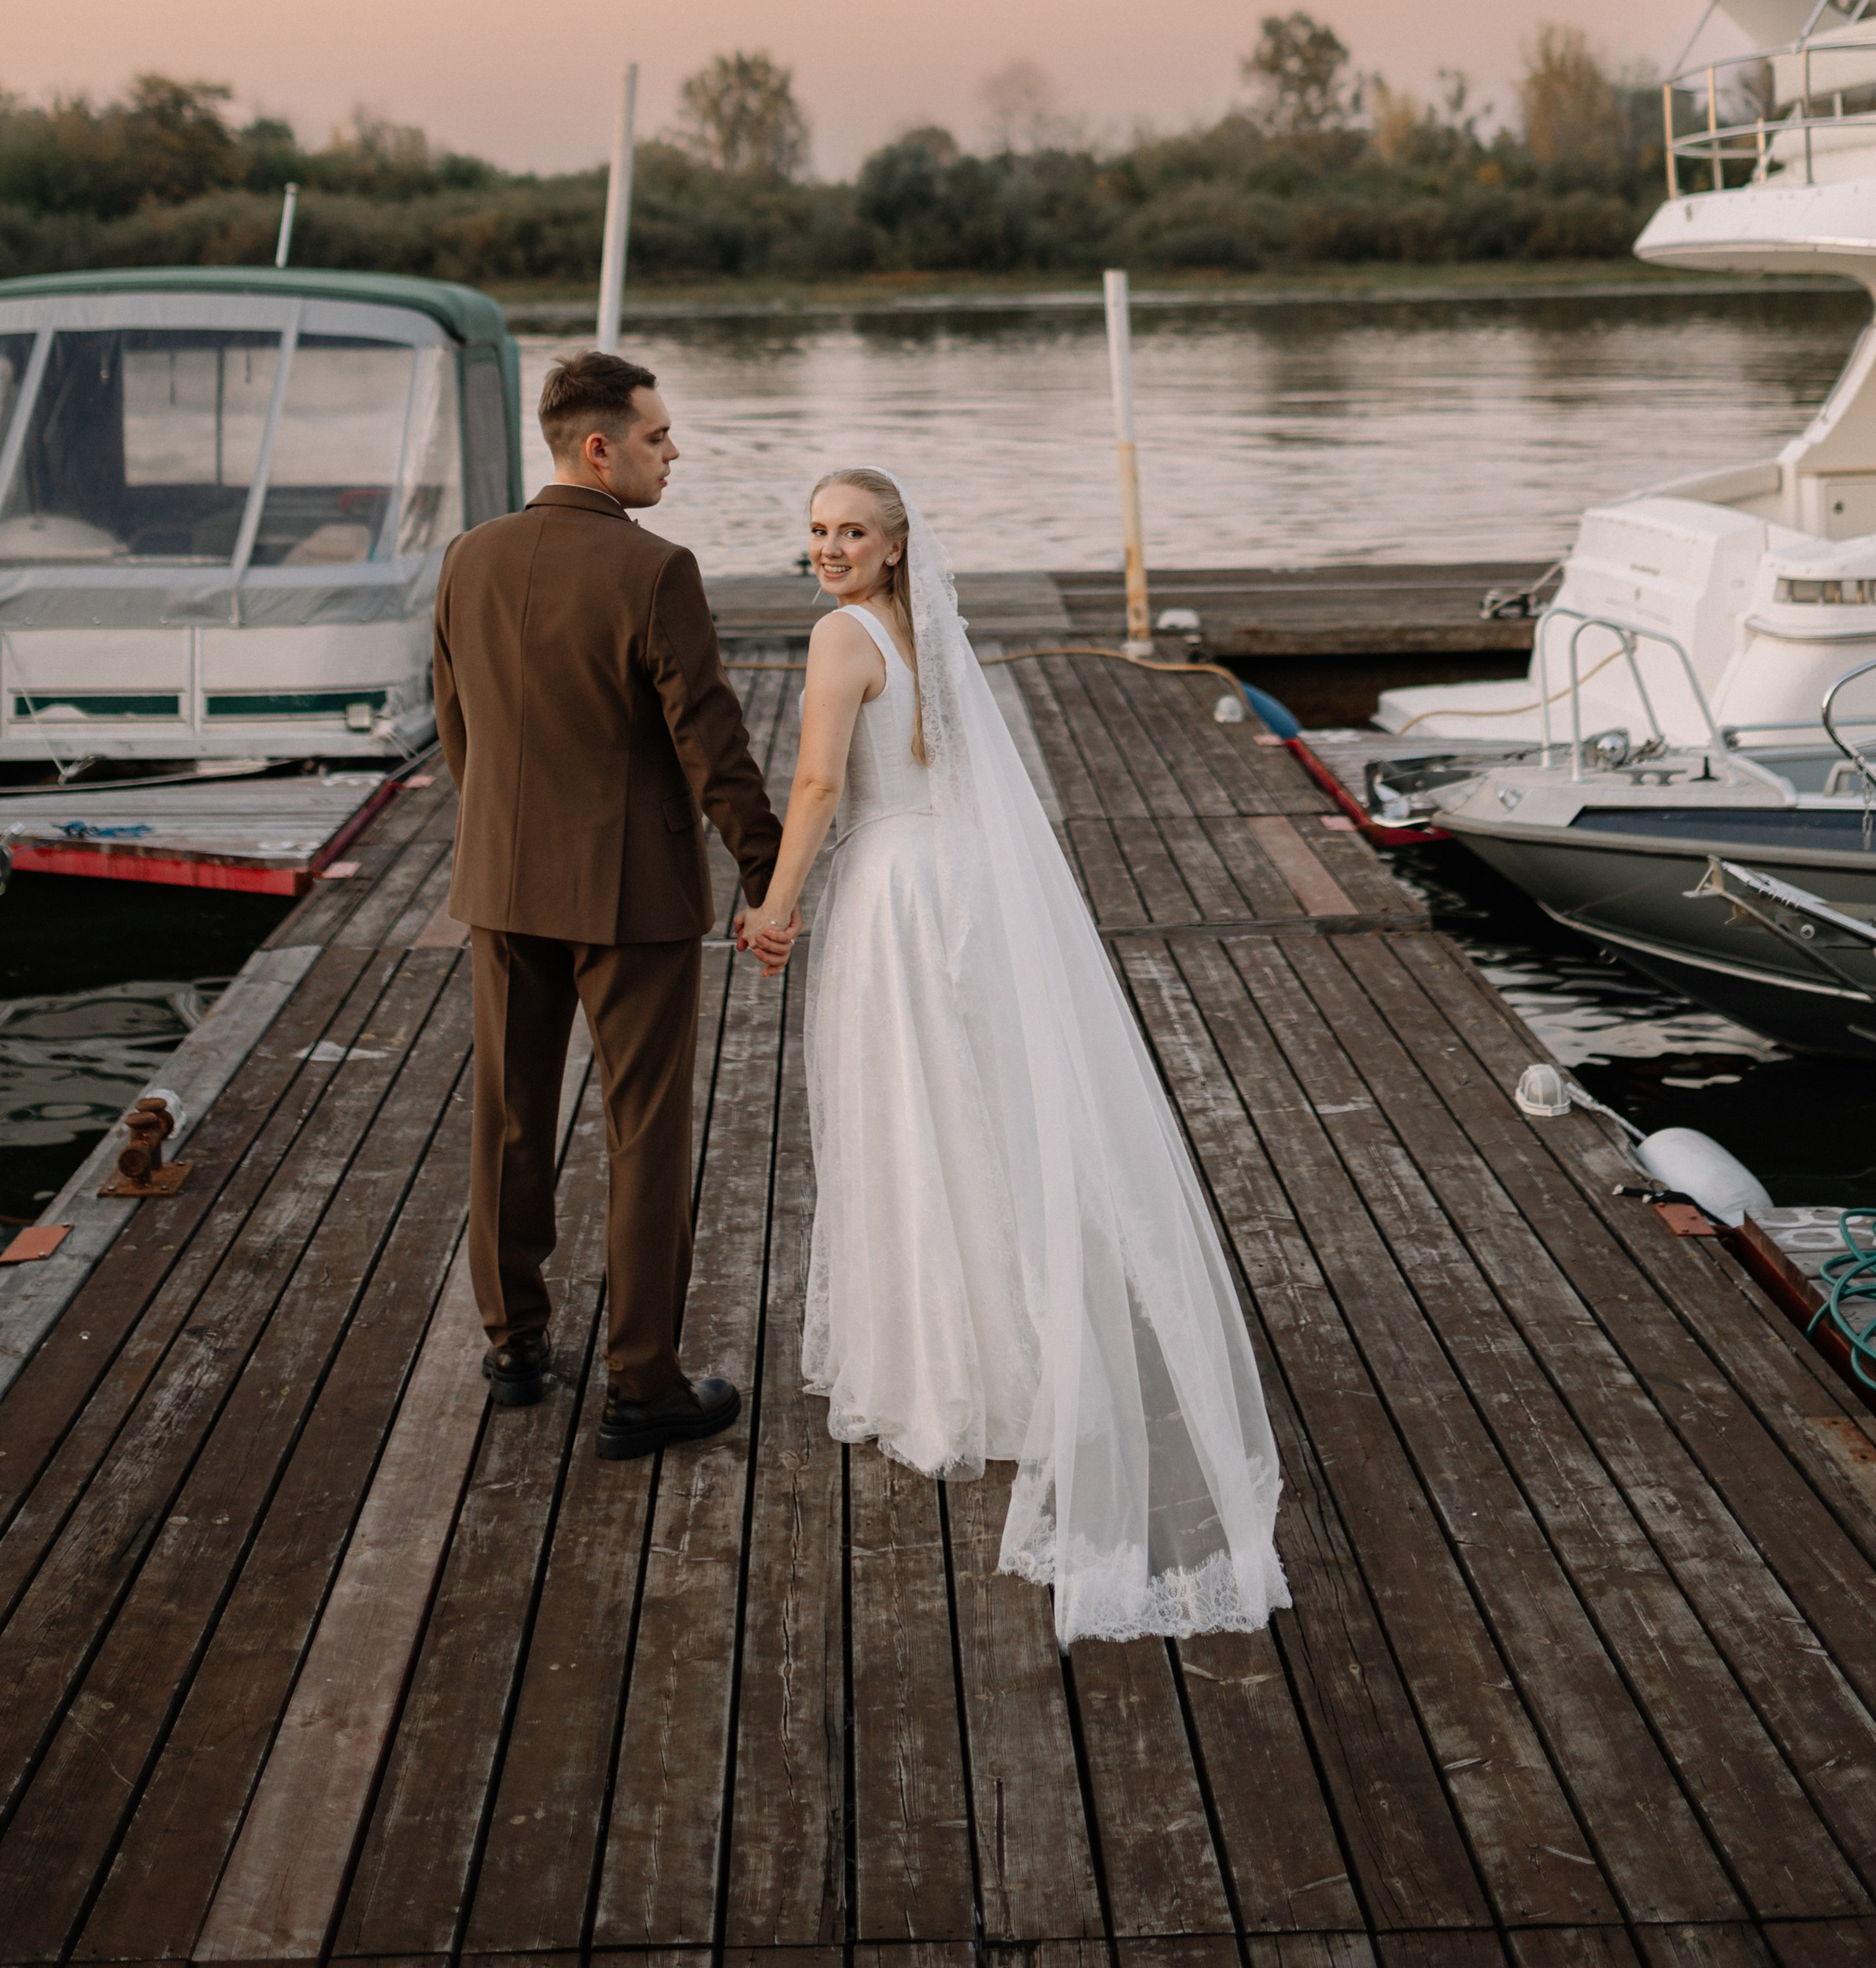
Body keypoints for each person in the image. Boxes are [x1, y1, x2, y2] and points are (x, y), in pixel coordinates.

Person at [740, 468, 1289, 1645]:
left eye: (851, 532)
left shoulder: (840, 638)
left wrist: (776, 907)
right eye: (818, 530)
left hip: (892, 892)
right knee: (966, 1111)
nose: (829, 548)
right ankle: (1005, 1354)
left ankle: (941, 1370)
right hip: (956, 882)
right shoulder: (925, 633)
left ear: (894, 546)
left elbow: (821, 781)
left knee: (908, 1117)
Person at [433, 349, 790, 1460]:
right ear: (600, 448)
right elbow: (713, 745)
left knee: (510, 1115)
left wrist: (500, 838)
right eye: (657, 435)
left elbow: (457, 726)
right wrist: (769, 875)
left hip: (502, 882)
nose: (674, 451)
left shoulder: (468, 557)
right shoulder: (655, 570)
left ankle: (514, 1348)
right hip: (631, 896)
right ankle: (642, 1383)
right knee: (643, 1132)